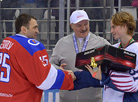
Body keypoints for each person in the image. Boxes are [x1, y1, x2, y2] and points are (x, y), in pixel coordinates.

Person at [0, 13, 76, 102]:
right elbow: (44, 79)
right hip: (22, 98)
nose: (37, 31)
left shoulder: (6, 42)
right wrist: (67, 78)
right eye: (34, 27)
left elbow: (25, 68)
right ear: (24, 29)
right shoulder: (28, 45)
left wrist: (56, 70)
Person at [73, 11, 138, 102]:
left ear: (124, 26)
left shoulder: (136, 50)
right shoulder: (113, 49)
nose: (111, 31)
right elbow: (98, 74)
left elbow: (133, 85)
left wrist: (104, 77)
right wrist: (74, 75)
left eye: (114, 27)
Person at [50, 10, 110, 102]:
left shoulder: (101, 43)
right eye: (79, 25)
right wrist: (59, 70)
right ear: (71, 26)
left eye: (86, 24)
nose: (83, 28)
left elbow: (113, 64)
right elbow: (50, 65)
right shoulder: (62, 43)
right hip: (66, 99)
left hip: (93, 99)